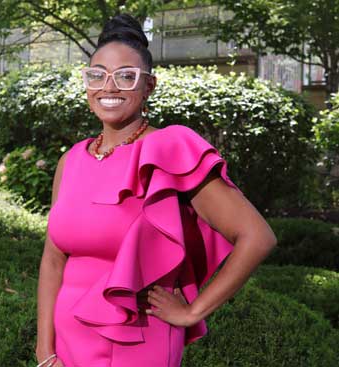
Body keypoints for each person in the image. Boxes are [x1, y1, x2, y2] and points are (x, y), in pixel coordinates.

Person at [35, 13, 277, 367]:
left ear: (149, 86)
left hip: (139, 340)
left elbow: (257, 237)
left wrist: (193, 311)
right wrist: (44, 349)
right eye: (97, 74)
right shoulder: (71, 160)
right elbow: (53, 260)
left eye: (126, 76)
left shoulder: (170, 148)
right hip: (68, 341)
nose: (110, 86)